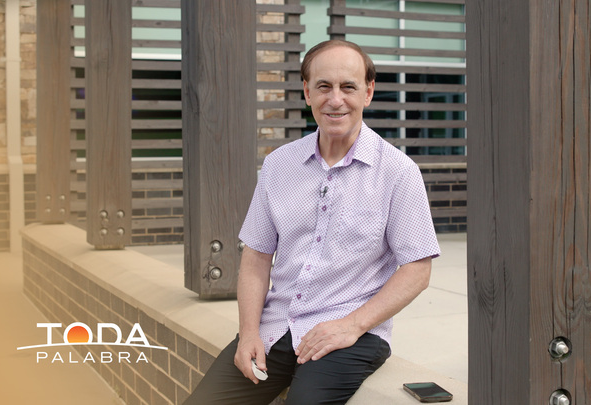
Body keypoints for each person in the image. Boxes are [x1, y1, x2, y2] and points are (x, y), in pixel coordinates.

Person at [184, 39, 440, 405]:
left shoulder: (398, 172)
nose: (335, 100)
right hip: (276, 326)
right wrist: (248, 332)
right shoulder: (278, 165)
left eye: (348, 87)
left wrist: (352, 325)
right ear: (307, 92)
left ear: (368, 92)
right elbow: (256, 258)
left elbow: (417, 269)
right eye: (323, 86)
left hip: (350, 332)